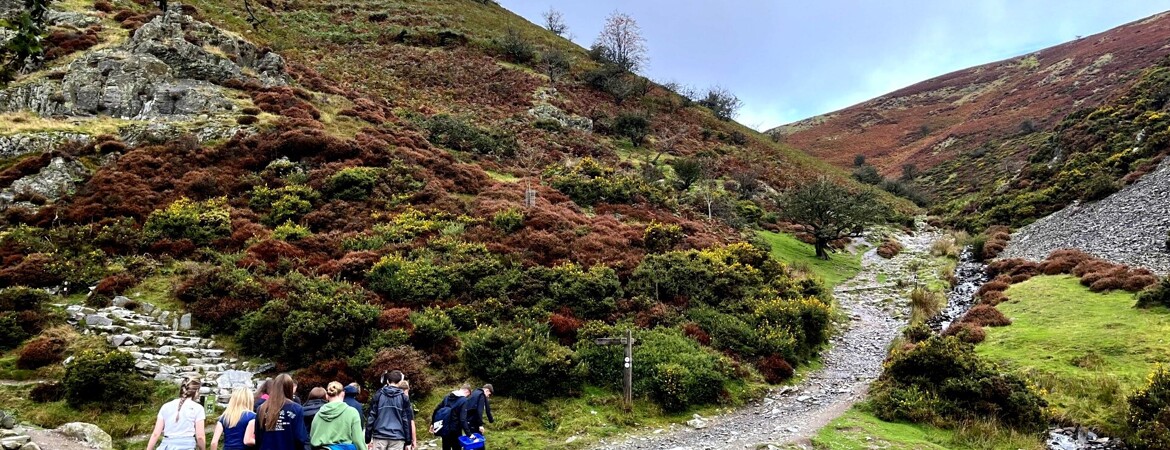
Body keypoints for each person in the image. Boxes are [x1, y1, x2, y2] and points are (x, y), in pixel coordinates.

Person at [146, 378, 207, 450]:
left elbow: (156, 434)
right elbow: (200, 436)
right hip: (187, 446)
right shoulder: (198, 408)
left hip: (166, 446)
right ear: (196, 391)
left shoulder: (166, 406)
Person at [255, 373, 309, 450]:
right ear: (290, 388)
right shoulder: (296, 409)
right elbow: (300, 437)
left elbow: (258, 437)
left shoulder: (261, 408)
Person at [310, 381, 367, 450]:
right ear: (343, 394)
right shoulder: (352, 413)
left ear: (327, 396)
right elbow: (358, 441)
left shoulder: (318, 414)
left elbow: (312, 439)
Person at [366, 370, 413, 450]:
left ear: (387, 381)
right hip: (397, 437)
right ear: (400, 382)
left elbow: (371, 417)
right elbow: (406, 420)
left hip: (379, 436)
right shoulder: (403, 398)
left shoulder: (378, 395)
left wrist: (368, 438)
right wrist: (408, 441)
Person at [431, 385, 469, 450]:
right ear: (467, 391)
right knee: (456, 447)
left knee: (446, 446)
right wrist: (469, 434)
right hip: (455, 430)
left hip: (445, 427)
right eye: (468, 395)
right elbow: (463, 419)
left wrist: (432, 423)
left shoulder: (447, 397)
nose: (467, 397)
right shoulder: (464, 400)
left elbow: (436, 410)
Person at [397, 380, 417, 450]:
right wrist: (414, 440)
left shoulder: (394, 402)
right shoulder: (408, 404)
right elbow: (411, 423)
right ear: (408, 389)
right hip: (406, 437)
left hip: (394, 436)